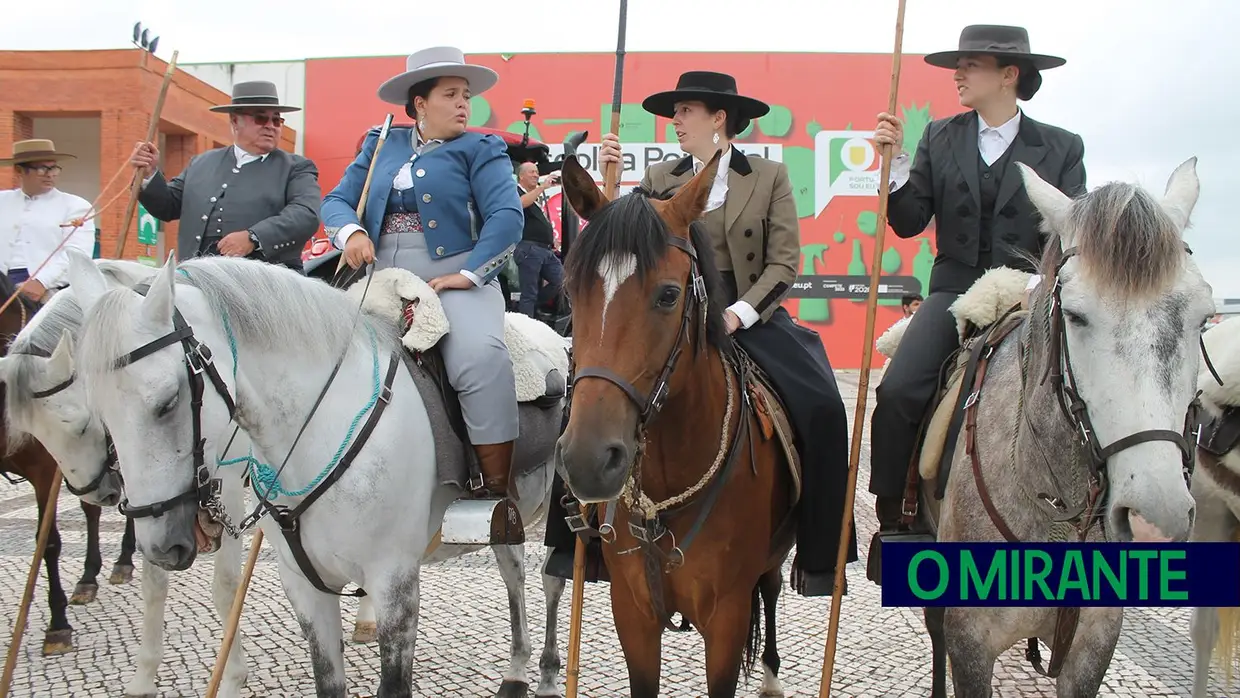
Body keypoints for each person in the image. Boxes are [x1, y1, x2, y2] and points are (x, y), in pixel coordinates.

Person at [543, 70, 858, 597]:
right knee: (591, 400)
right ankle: (573, 541)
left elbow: (783, 264)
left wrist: (737, 314)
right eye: (674, 112)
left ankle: (821, 554)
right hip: (670, 314)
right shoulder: (660, 178)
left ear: (719, 119)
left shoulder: (770, 175)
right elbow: (623, 246)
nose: (675, 121)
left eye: (685, 110)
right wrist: (614, 185)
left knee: (824, 405)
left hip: (746, 316)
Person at [866, 25, 1086, 540]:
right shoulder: (939, 135)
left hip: (1033, 290)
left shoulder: (1062, 146)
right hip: (952, 292)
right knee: (897, 390)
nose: (958, 73)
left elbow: (1072, 229)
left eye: (972, 64)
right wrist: (893, 165)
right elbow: (909, 221)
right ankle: (895, 514)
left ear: (1009, 75)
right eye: (957, 64)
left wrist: (1043, 284)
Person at [321, 47, 525, 532]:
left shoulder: (483, 148)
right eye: (451, 95)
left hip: (455, 277)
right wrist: (350, 233)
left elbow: (506, 216)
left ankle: (496, 490)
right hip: (379, 278)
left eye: (466, 96)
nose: (463, 105)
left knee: (479, 354)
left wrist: (470, 275)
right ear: (418, 104)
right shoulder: (379, 144)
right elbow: (337, 201)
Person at [129, 80, 321, 272]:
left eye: (277, 120)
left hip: (266, 285)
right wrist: (150, 173)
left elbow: (305, 214)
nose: (271, 126)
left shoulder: (296, 168)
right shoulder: (201, 163)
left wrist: (254, 237)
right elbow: (167, 206)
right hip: (195, 278)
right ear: (235, 121)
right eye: (261, 119)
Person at [0, 139, 97, 301]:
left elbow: (77, 254)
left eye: (54, 168)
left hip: (50, 288)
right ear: (19, 170)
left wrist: (42, 281)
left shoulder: (75, 206)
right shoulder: (2, 201)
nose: (50, 174)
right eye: (42, 169)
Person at [513, 162, 564, 317]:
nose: (536, 175)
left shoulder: (534, 198)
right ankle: (525, 328)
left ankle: (530, 306)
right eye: (532, 172)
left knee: (562, 281)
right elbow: (520, 204)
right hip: (529, 248)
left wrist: (551, 238)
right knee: (529, 292)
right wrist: (543, 187)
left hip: (544, 249)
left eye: (537, 172)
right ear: (521, 176)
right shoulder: (514, 191)